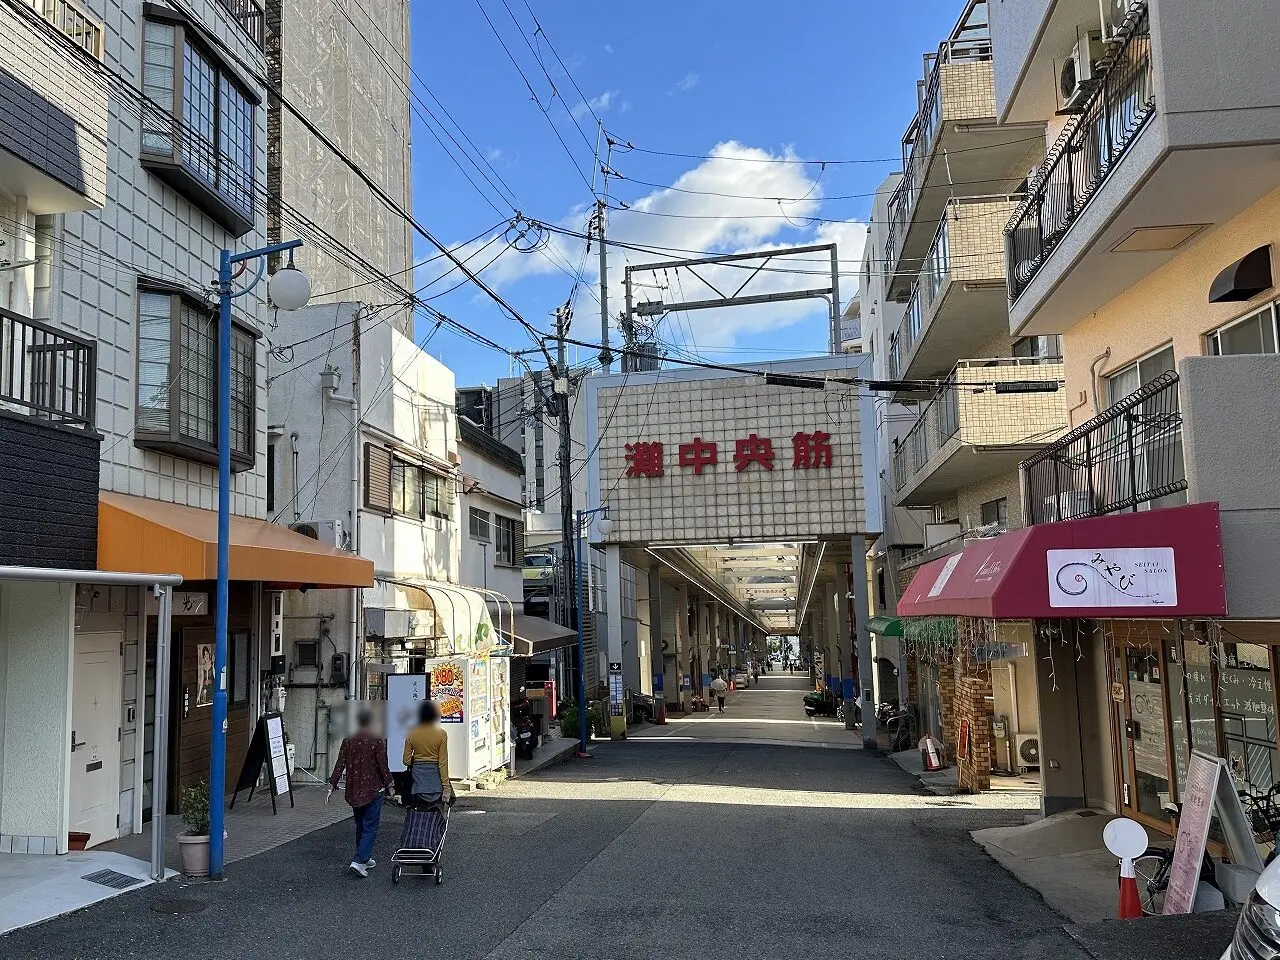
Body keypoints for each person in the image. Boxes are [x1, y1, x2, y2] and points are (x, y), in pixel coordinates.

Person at [328, 708, 394, 878]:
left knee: (361, 824)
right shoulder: (376, 740)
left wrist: (332, 784)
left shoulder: (348, 740)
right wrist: (390, 785)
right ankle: (359, 860)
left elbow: (340, 763)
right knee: (370, 826)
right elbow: (383, 765)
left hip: (354, 790)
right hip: (373, 790)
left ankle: (365, 857)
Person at [403, 699, 454, 811]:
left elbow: (406, 761)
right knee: (437, 818)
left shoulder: (411, 733)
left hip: (418, 782)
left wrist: (417, 758)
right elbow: (443, 763)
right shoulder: (441, 734)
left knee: (420, 818)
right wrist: (446, 788)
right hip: (436, 780)